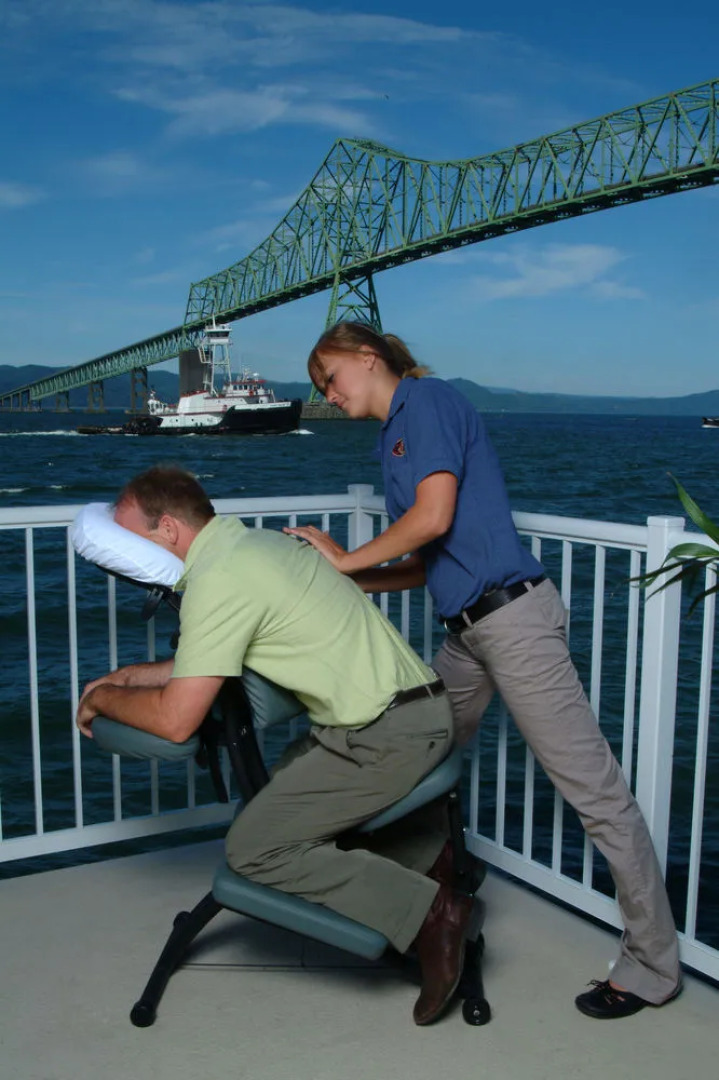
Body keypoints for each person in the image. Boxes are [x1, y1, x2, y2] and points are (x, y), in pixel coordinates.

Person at [284, 320, 682, 1021]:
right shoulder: (394, 437)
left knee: (595, 794)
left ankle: (653, 966)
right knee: (416, 751)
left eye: (330, 377)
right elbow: (425, 558)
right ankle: (428, 899)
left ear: (367, 359)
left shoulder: (428, 401)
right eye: (319, 386)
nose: (326, 392)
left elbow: (432, 519)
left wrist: (347, 558)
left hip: (513, 623)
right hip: (466, 633)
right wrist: (349, 581)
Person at [76, 464, 473, 1026]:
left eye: (127, 532)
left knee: (254, 849)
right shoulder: (251, 546)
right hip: (395, 714)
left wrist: (100, 702)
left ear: (167, 530)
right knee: (269, 813)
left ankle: (435, 916)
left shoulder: (219, 580)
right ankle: (432, 860)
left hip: (388, 734)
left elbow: (175, 722)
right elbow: (203, 660)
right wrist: (127, 678)